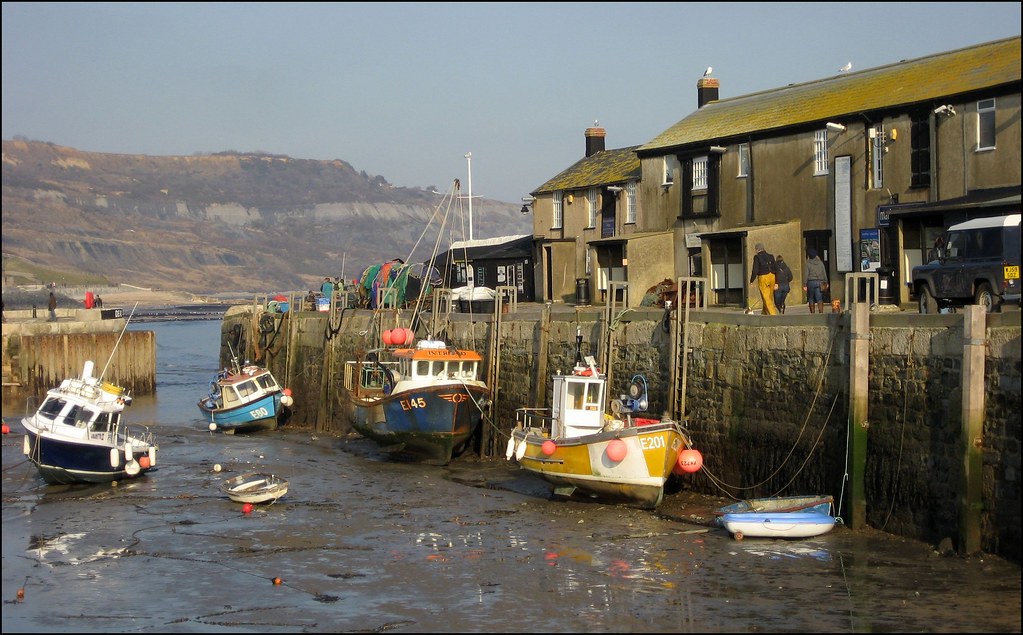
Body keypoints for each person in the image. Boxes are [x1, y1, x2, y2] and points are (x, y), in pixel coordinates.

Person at [748, 243, 779, 315]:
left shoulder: (757, 257)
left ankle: (773, 315)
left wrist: (752, 280)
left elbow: (755, 270)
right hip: (772, 276)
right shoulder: (771, 256)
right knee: (770, 297)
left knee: (766, 298)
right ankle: (764, 314)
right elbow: (776, 268)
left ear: (757, 250)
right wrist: (777, 282)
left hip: (763, 277)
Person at [803, 248, 828, 314]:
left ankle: (812, 313)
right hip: (819, 282)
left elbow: (806, 274)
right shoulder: (820, 263)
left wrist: (804, 284)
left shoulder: (808, 263)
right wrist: (826, 282)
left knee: (811, 298)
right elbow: (824, 273)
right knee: (819, 298)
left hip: (811, 282)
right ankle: (821, 312)